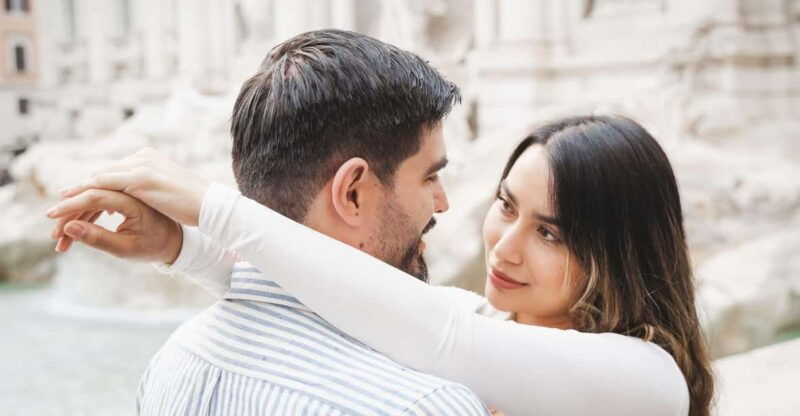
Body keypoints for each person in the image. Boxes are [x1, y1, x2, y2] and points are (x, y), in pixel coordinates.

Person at [50, 115, 715, 415]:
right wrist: (179, 246)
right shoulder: (488, 322)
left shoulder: (649, 380)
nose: (504, 246)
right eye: (505, 206)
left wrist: (216, 208)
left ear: (623, 252)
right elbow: (340, 302)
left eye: (550, 233)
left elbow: (439, 336)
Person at [48, 29, 493, 415]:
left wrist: (191, 248)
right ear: (352, 194)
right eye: (430, 176)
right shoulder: (424, 404)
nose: (442, 202)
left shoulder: (173, 361)